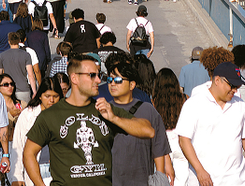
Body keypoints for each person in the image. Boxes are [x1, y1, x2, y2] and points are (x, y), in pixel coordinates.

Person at [23, 54, 156, 186]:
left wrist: (114, 118)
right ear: (74, 78)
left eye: (98, 75)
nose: (98, 80)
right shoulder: (51, 115)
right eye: (92, 75)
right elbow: (29, 153)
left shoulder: (105, 109)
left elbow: (148, 131)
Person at [175, 62, 245, 186]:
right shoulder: (194, 104)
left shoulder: (239, 105)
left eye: (237, 86)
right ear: (217, 80)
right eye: (232, 85)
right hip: (205, 181)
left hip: (238, 180)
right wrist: (200, 170)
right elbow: (184, 140)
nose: (235, 90)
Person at [106, 55, 173, 186]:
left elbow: (159, 146)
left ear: (132, 85)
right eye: (110, 79)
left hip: (142, 180)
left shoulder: (148, 110)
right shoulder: (104, 111)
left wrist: (160, 175)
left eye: (118, 80)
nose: (113, 83)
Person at [11, 77, 63, 186]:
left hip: (58, 170)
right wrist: (16, 176)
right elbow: (18, 145)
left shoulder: (65, 115)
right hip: (35, 168)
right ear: (40, 96)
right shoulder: (28, 115)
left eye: (55, 96)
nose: (51, 100)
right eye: (47, 96)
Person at [152, 68, 197, 186]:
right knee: (183, 179)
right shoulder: (185, 98)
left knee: (165, 180)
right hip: (180, 140)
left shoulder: (153, 102)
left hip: (162, 143)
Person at [0, 32, 37, 102]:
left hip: (8, 89)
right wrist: (34, 91)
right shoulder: (26, 55)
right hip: (23, 89)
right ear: (19, 41)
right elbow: (31, 75)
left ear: (9, 42)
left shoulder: (2, 55)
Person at [0, 73, 24, 145]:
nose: (10, 87)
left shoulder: (22, 104)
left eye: (12, 84)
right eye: (6, 85)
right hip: (2, 145)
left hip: (20, 143)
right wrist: (10, 115)